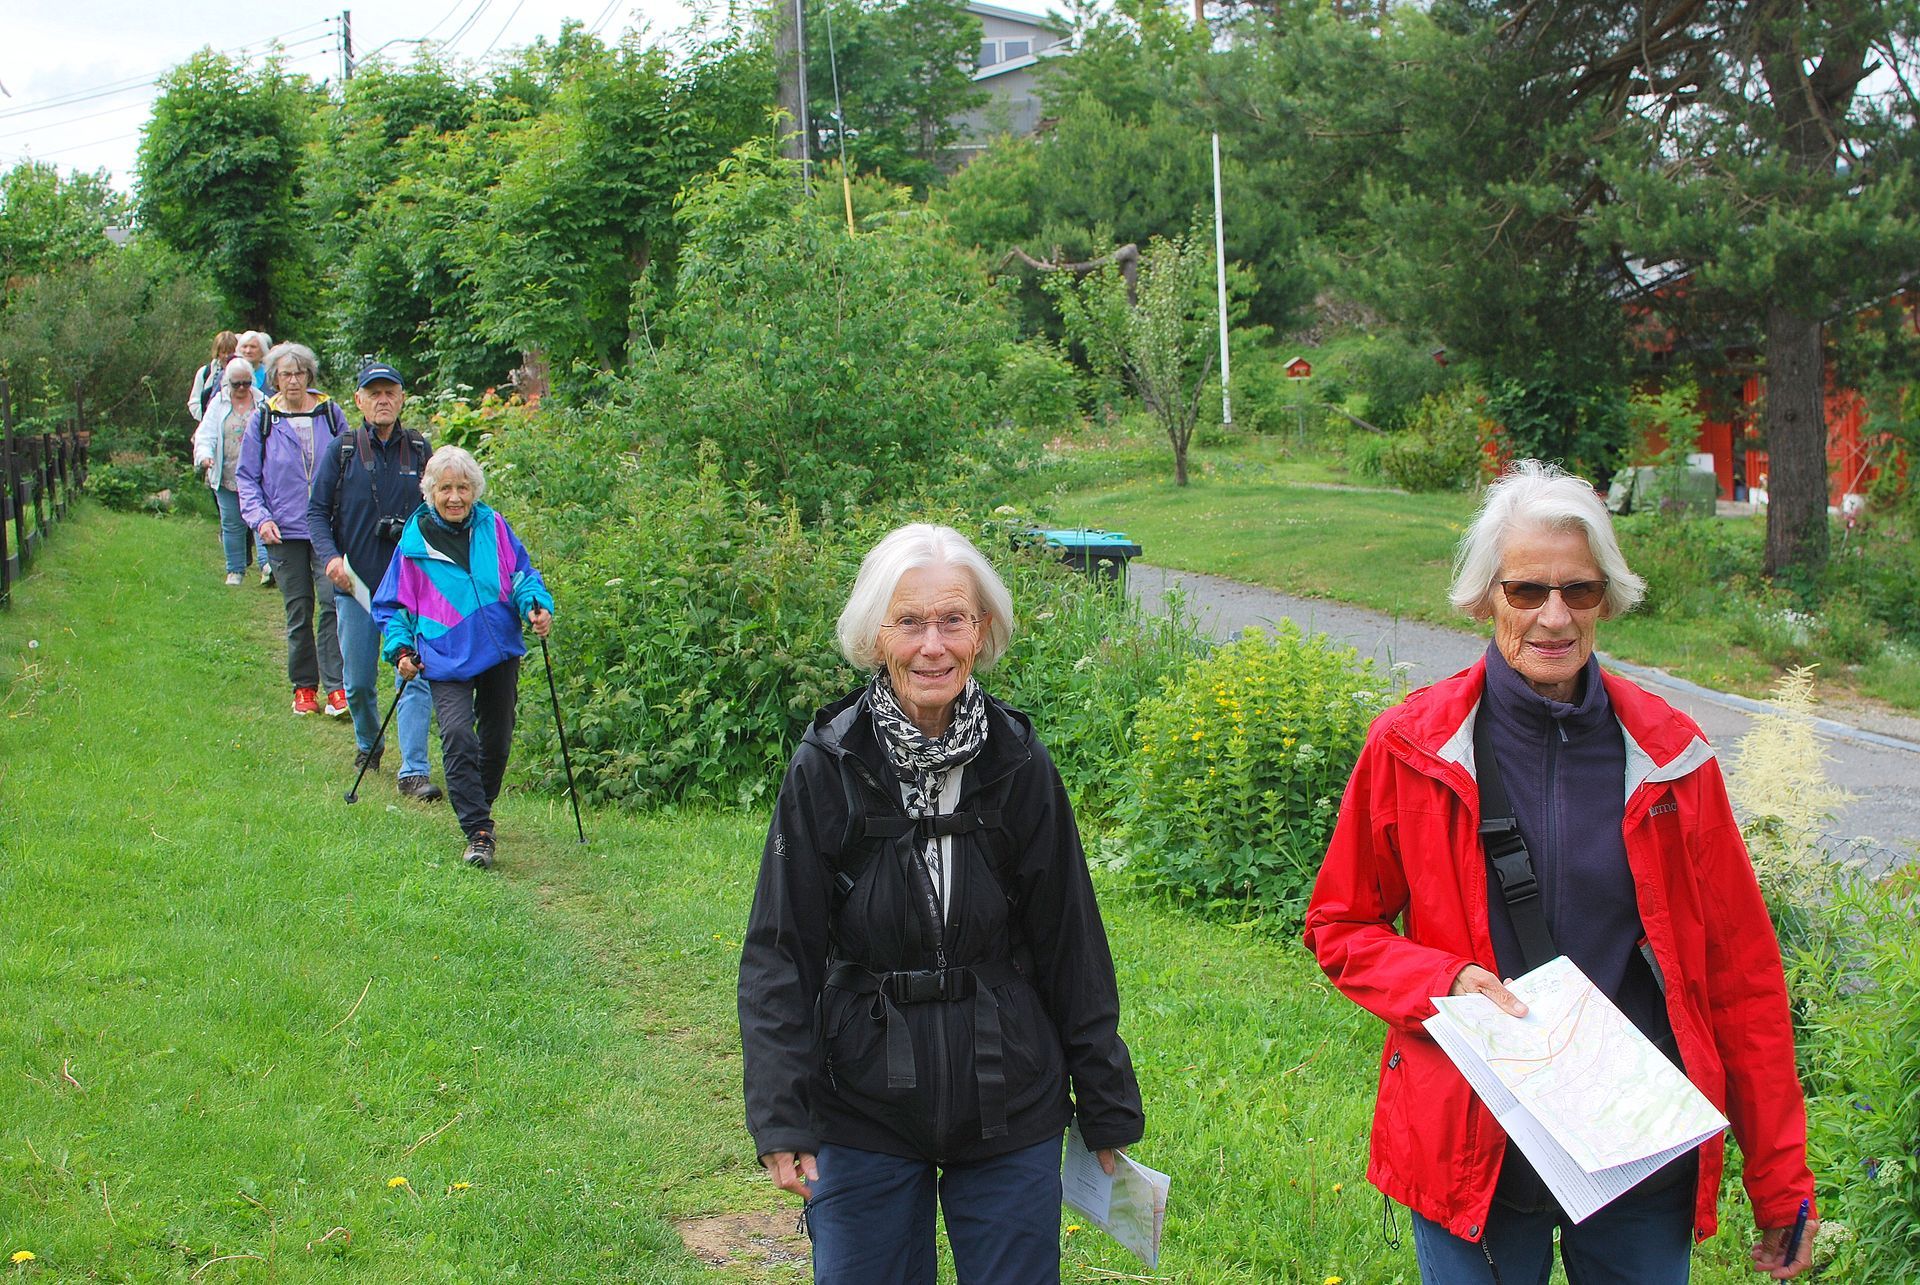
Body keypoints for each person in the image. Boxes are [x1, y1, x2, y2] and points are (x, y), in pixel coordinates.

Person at [1303, 460, 1818, 1284]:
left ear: (1606, 599)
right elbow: (1339, 926)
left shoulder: (1672, 759)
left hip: (1634, 1134)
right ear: (1483, 599)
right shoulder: (1410, 747)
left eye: (1578, 591)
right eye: (1526, 590)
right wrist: (1447, 978)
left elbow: (1742, 977)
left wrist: (1781, 1179)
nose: (1553, 616)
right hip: (1475, 1132)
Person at [738, 523, 1144, 1285]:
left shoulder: (1018, 761)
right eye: (911, 620)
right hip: (861, 1097)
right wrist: (781, 1110)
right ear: (874, 635)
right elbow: (780, 947)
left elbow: (1071, 940)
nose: (934, 645)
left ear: (981, 630)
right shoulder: (828, 764)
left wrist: (1107, 1100)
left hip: (1010, 1091)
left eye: (953, 619)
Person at [375, 446, 552, 869]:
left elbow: (522, 574)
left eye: (463, 488)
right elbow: (391, 606)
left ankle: (479, 809)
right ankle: (477, 830)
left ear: (475, 490)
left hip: (497, 649)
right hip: (444, 654)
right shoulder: (414, 545)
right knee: (457, 734)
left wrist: (536, 605)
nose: (455, 497)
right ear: (430, 492)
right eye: (445, 489)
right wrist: (400, 649)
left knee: (498, 736)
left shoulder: (494, 526)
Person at [308, 361, 442, 802]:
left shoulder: (421, 450)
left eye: (391, 392)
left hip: (411, 588)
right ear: (360, 401)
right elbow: (315, 513)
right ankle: (369, 743)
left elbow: (443, 510)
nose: (383, 400)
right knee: (359, 684)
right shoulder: (343, 449)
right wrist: (330, 560)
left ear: (402, 398)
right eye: (374, 393)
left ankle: (414, 771)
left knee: (414, 675)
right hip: (357, 586)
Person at [236, 342, 351, 717]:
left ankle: (337, 689)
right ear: (274, 379)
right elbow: (247, 478)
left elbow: (350, 465)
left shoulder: (330, 414)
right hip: (282, 530)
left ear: (310, 376)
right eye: (286, 374)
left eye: (300, 373)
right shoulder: (263, 419)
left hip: (326, 526)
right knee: (299, 609)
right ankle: (304, 687)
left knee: (333, 603)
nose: (293, 380)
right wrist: (260, 518)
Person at [192, 357, 262, 585]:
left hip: (258, 475)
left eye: (246, 383)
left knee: (261, 521)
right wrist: (205, 456)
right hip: (227, 473)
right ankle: (235, 570)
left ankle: (268, 566)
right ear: (226, 383)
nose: (242, 388)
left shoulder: (263, 402)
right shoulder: (218, 404)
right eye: (236, 384)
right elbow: (206, 434)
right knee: (232, 523)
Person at [185, 330, 238, 423]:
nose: (226, 356)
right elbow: (194, 402)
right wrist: (206, 418)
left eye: (230, 352)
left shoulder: (244, 372)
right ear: (217, 352)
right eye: (223, 352)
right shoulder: (205, 372)